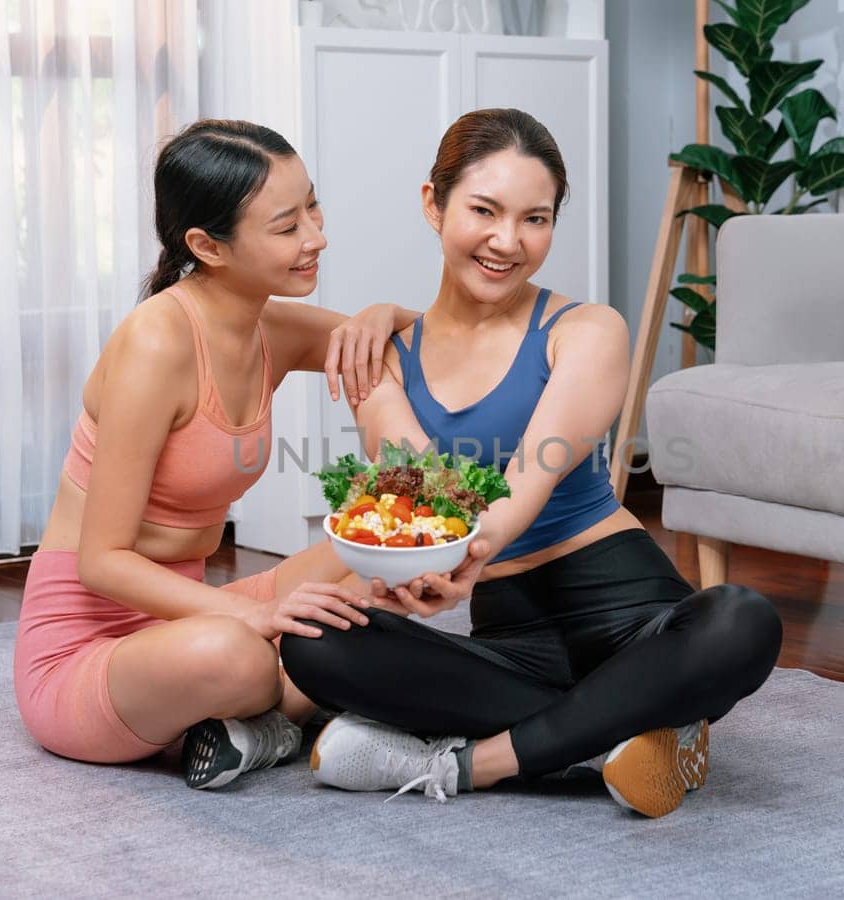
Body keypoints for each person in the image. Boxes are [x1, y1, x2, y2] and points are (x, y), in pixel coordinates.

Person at [280, 108, 784, 818]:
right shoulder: (383, 359)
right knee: (317, 644)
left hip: (625, 607)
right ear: (433, 204)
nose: (507, 242)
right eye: (483, 211)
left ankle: (473, 764)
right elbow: (433, 500)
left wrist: (462, 561)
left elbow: (522, 485)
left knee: (741, 621)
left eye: (535, 219)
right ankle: (637, 723)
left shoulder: (583, 331)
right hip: (510, 635)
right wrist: (420, 569)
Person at [14, 119, 415, 789]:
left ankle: (258, 726)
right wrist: (253, 617)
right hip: (88, 655)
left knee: (380, 563)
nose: (316, 236)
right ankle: (287, 707)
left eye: (312, 205)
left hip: (186, 613)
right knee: (236, 655)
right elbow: (101, 561)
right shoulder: (156, 344)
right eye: (287, 227)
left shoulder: (273, 327)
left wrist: (379, 314)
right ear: (207, 244)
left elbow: (407, 343)